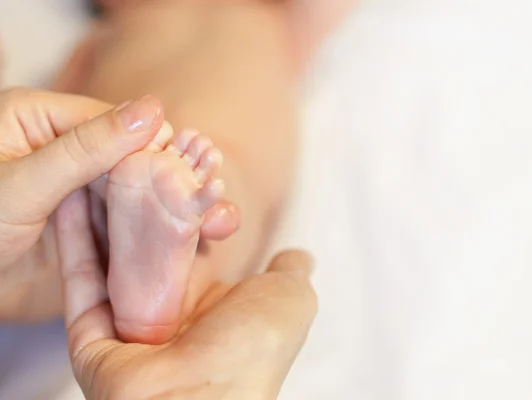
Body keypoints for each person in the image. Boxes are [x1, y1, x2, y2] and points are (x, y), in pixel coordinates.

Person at [0, 88, 317, 398]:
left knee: (65, 251)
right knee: (226, 145)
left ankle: (168, 223)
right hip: (59, 225)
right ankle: (180, 239)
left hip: (38, 248)